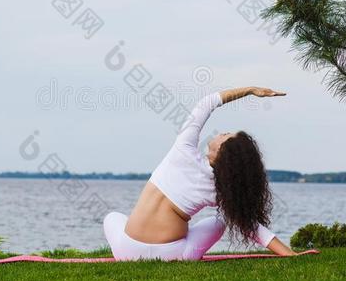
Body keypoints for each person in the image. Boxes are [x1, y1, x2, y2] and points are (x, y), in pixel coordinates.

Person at [103, 86, 298, 261]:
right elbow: (250, 225)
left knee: (112, 217)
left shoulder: (183, 149)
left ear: (223, 152)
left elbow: (207, 104)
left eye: (225, 135)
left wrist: (249, 90)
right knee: (220, 221)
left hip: (126, 251)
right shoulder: (221, 190)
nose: (221, 133)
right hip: (173, 254)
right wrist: (287, 252)